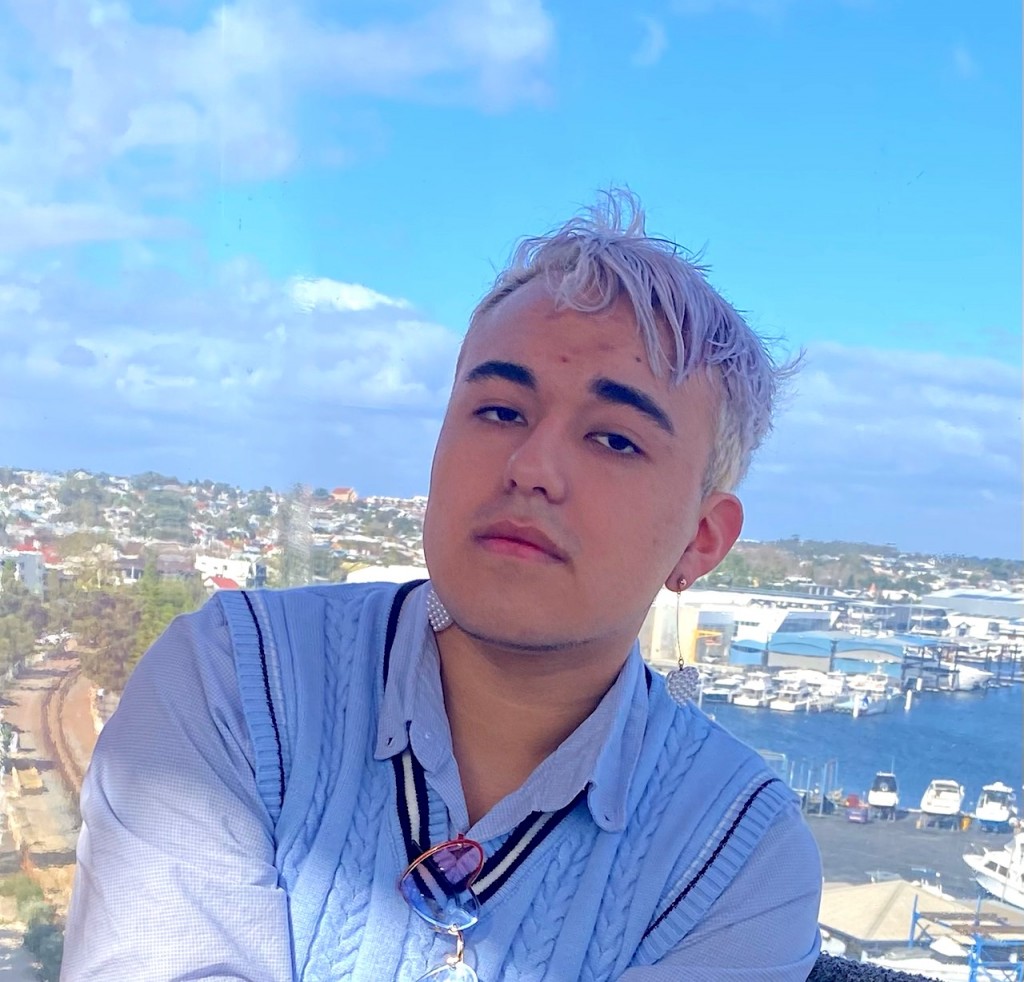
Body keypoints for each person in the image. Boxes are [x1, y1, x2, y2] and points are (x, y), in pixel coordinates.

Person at [63, 191, 822, 981]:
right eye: (499, 410)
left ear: (701, 541)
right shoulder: (239, 683)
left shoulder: (734, 855)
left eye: (613, 439)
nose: (530, 467)